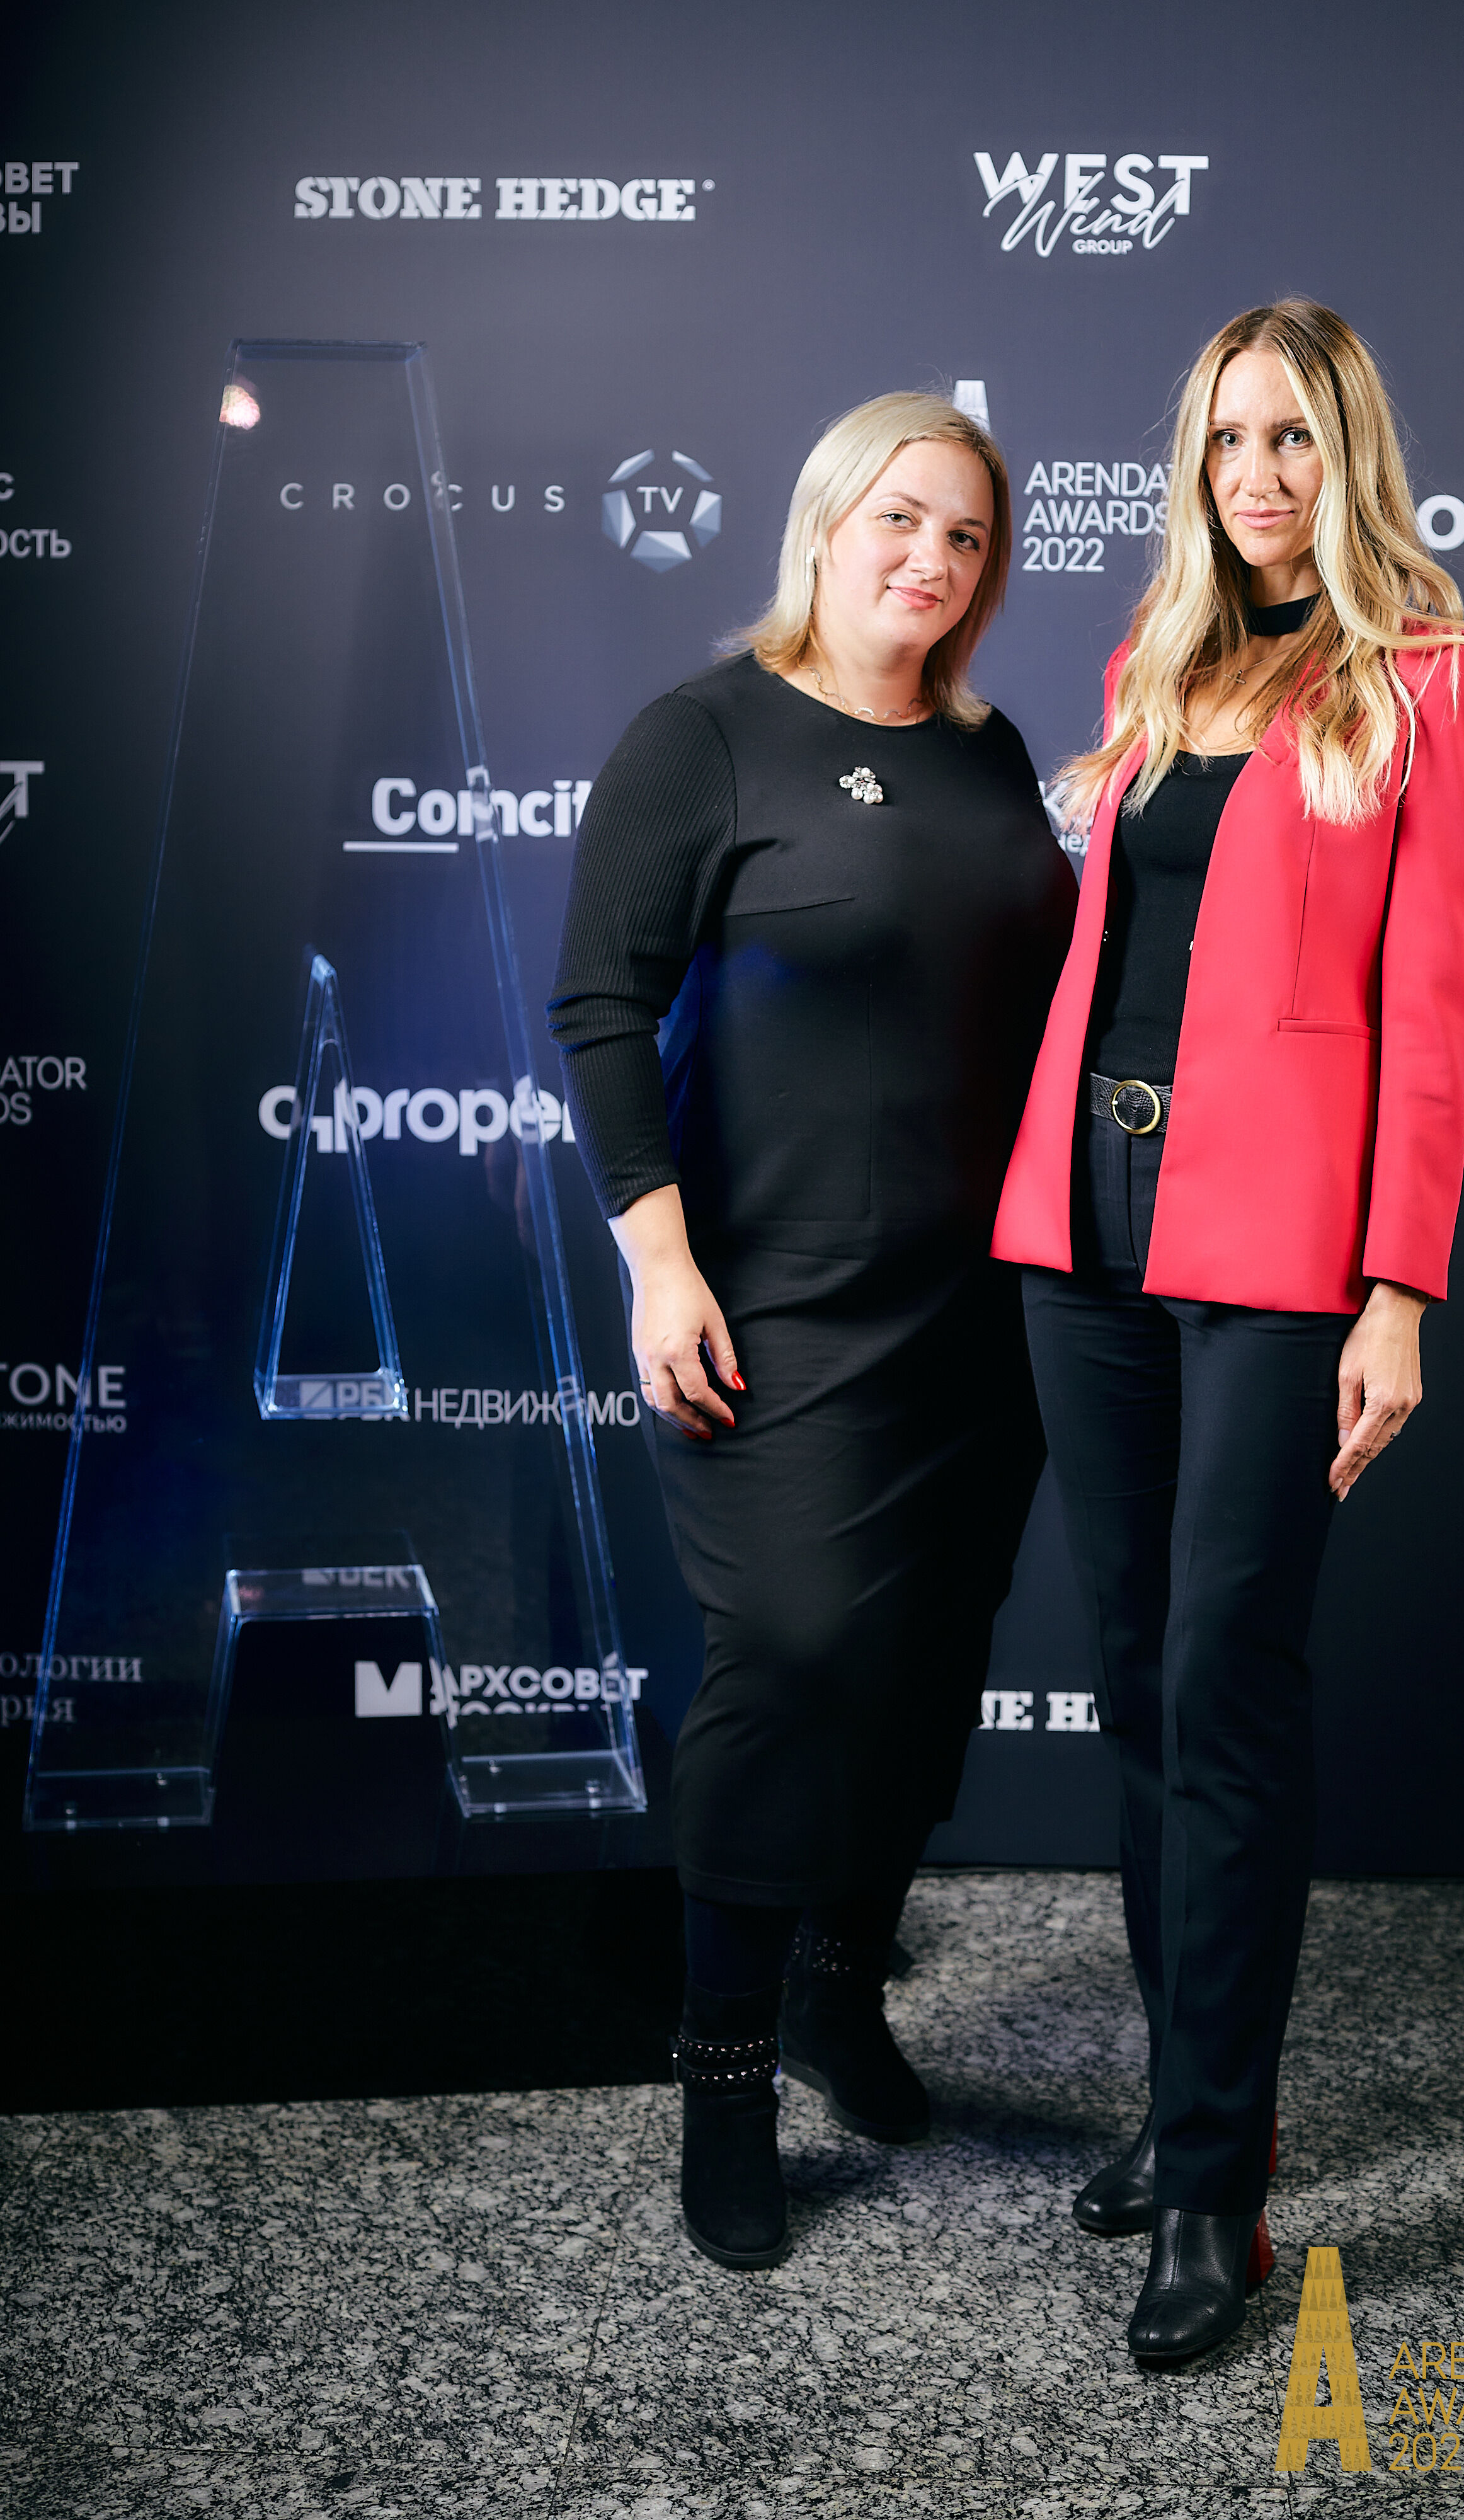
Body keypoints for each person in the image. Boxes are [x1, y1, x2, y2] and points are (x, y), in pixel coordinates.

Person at [992, 301, 1464, 2365]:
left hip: (1283, 1249)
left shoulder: (1431, 681)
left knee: (1224, 1684)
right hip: (1087, 1223)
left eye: (1291, 436)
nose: (1257, 475)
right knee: (1137, 1678)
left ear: (1347, 451)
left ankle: (1216, 2183)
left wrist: (1400, 1288)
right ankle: (1184, 2096)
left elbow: (1429, 1009)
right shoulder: (1158, 660)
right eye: (1226, 440)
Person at [549, 392, 1076, 2269]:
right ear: (826, 522)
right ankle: (723, 2075)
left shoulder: (989, 748)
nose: (930, 558)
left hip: (981, 1308)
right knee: (789, 1656)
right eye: (899, 518)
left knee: (924, 1664)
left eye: (966, 536)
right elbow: (602, 1003)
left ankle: (845, 1994)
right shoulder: (704, 735)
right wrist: (658, 1261)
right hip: (769, 1301)